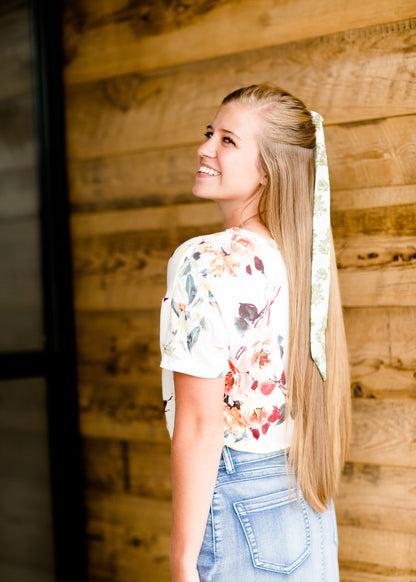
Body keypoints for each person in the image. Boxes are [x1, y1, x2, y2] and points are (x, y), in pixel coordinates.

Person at [160, 83, 351, 582]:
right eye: (210, 133)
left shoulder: (203, 260)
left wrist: (182, 564)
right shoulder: (303, 259)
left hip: (238, 499)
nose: (205, 148)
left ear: (267, 169)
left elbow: (202, 427)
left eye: (228, 140)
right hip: (305, 501)